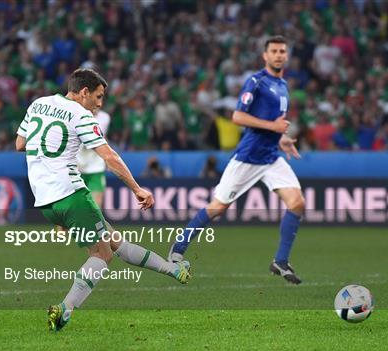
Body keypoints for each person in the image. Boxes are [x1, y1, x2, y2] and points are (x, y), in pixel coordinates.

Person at [15, 69, 191, 331]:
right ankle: (65, 309)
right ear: (84, 92)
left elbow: (20, 144)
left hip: (45, 201)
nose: (99, 103)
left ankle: (173, 270)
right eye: (98, 97)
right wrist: (136, 188)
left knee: (113, 240)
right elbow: (109, 157)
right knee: (102, 254)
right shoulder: (80, 115)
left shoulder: (38, 104)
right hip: (71, 193)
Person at [168, 36, 305, 284]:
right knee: (218, 208)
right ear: (265, 55)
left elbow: (273, 123)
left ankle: (280, 261)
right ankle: (177, 250)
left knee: (297, 203)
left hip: (272, 156)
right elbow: (238, 116)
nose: (278, 55)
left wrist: (281, 138)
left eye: (282, 51)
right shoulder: (256, 81)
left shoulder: (283, 85)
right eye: (273, 51)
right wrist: (272, 126)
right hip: (249, 157)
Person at [76, 109, 110, 207]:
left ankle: (95, 222)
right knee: (73, 209)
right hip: (76, 167)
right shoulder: (75, 114)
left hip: (96, 166)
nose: (98, 103)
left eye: (100, 98)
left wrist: (107, 159)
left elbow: (103, 139)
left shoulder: (105, 117)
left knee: (95, 208)